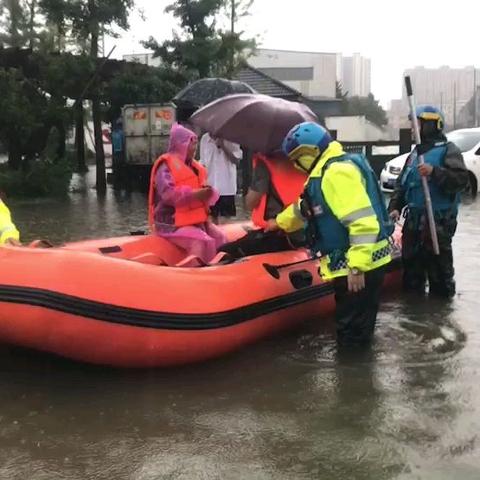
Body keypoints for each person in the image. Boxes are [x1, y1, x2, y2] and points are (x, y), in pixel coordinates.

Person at [265, 122, 393, 346]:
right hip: (356, 262)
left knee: (352, 335)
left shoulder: (336, 173)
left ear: (310, 152)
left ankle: (353, 377)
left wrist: (356, 266)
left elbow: (363, 223)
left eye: (296, 158)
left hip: (360, 265)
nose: (295, 165)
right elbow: (304, 209)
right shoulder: (326, 171)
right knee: (352, 328)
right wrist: (279, 223)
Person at [388, 105, 468, 298]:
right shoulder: (415, 154)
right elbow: (402, 185)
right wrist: (395, 207)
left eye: (418, 124)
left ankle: (439, 317)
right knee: (412, 278)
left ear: (432, 125)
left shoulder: (449, 150)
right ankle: (415, 319)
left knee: (440, 277)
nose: (414, 128)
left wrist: (435, 172)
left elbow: (460, 180)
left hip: (437, 224)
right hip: (413, 224)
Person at [148, 123, 226, 264]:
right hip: (170, 222)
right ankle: (193, 275)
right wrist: (196, 194)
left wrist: (207, 193)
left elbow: (203, 196)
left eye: (195, 144)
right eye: (191, 144)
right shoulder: (165, 167)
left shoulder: (195, 167)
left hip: (195, 221)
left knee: (220, 238)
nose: (194, 148)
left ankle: (220, 271)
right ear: (181, 145)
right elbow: (168, 195)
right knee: (200, 242)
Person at [199, 132, 242, 223]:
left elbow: (237, 160)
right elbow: (202, 163)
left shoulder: (232, 137)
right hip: (210, 187)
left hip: (226, 188)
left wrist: (223, 145)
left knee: (225, 224)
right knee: (211, 222)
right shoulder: (205, 139)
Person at [111, 118, 125, 188]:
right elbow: (124, 143)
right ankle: (124, 186)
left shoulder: (113, 134)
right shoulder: (122, 133)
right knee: (123, 171)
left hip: (116, 154)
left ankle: (116, 186)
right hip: (121, 153)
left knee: (117, 170)